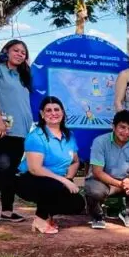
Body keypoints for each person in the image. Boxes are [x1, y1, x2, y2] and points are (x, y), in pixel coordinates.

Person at [0, 39, 33, 226]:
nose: (20, 54)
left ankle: (7, 211)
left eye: (23, 53)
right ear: (6, 51)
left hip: (19, 132)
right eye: (16, 50)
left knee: (11, 172)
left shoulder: (21, 76)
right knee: (1, 169)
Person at [15, 96, 84, 234]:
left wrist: (69, 178)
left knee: (78, 204)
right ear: (42, 114)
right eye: (48, 110)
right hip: (27, 179)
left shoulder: (69, 135)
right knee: (53, 186)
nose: (53, 113)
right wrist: (63, 180)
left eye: (57, 109)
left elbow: (75, 161)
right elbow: (35, 169)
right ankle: (40, 219)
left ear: (63, 112)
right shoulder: (36, 136)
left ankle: (48, 215)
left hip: (55, 181)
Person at [84, 110, 129, 229]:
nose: (126, 132)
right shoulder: (100, 141)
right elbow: (97, 172)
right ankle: (97, 216)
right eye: (122, 127)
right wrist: (121, 184)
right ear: (113, 127)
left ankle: (128, 213)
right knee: (94, 190)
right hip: (104, 181)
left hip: (127, 181)